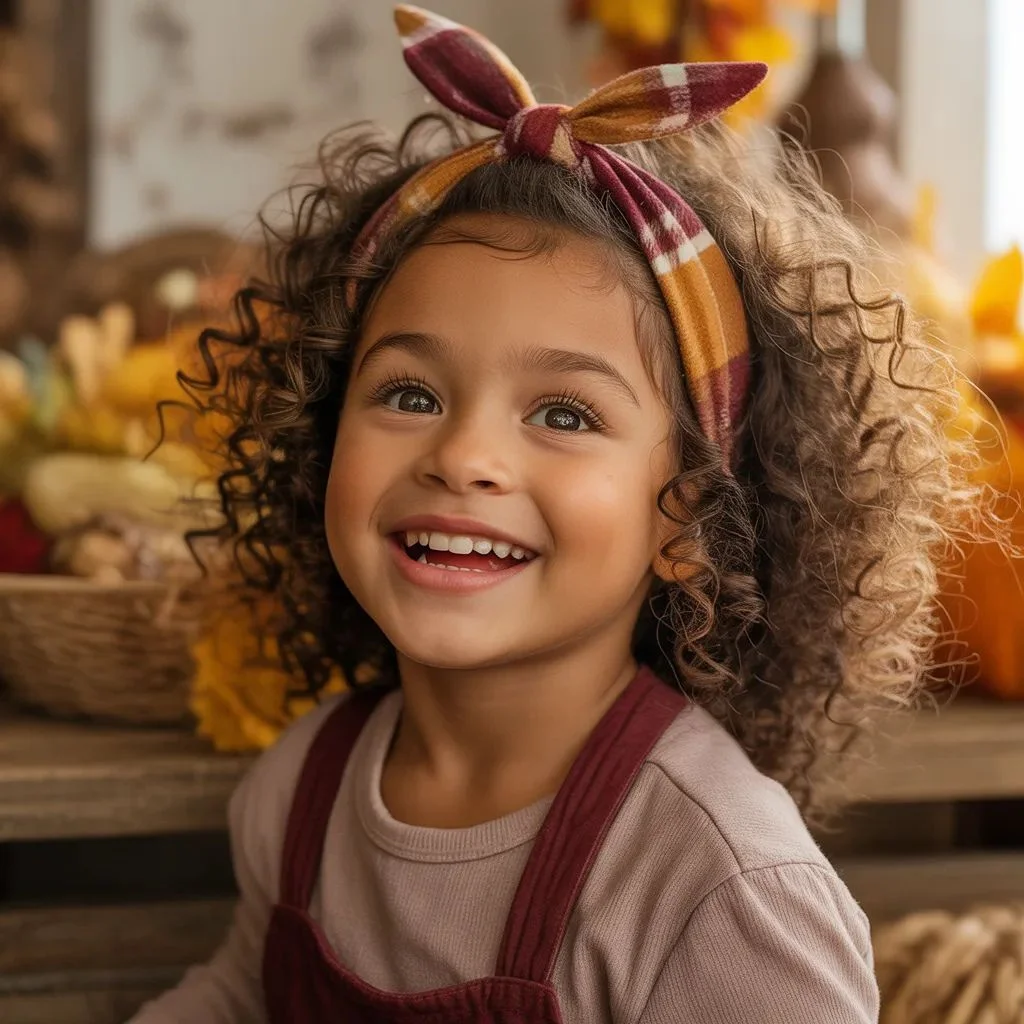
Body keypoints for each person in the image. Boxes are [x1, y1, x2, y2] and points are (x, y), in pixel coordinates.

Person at [131, 6, 989, 1022]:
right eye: (410, 394)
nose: (463, 455)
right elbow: (238, 993)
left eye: (564, 412)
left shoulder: (719, 891)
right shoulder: (299, 793)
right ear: (323, 441)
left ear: (687, 519)